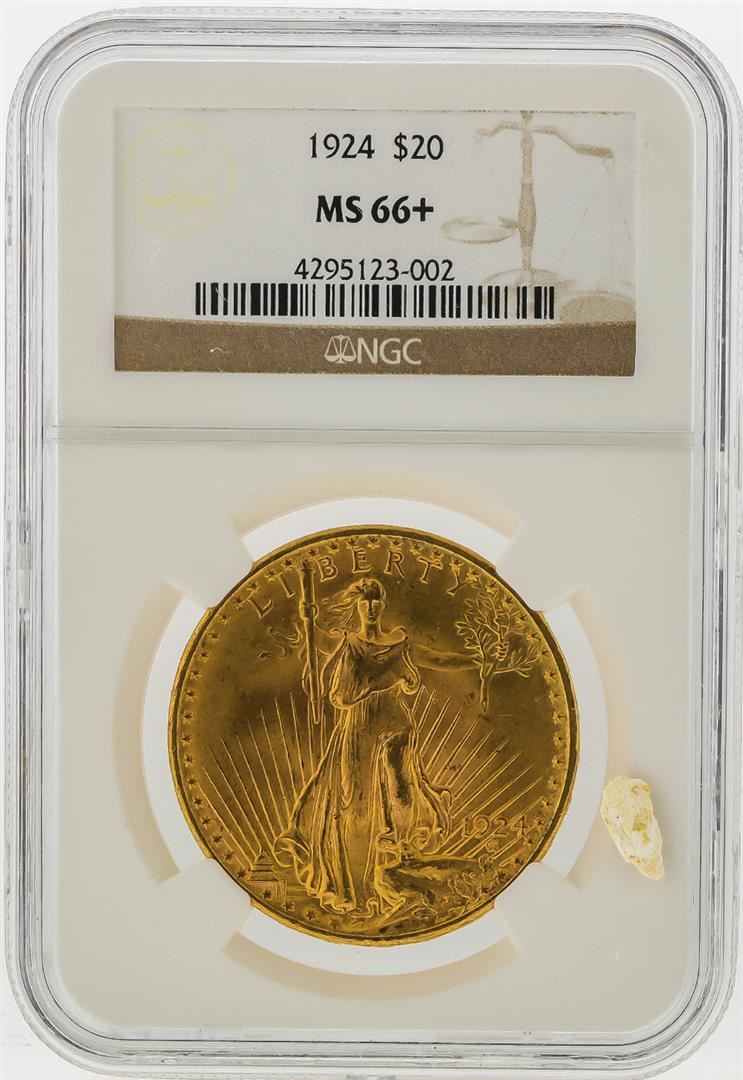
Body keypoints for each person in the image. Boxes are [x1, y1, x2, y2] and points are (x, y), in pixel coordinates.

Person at [274, 576, 474, 919]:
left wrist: (479, 660)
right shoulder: (350, 645)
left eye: (376, 600)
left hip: (397, 730)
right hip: (359, 734)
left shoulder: (400, 643)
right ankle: (361, 885)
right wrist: (390, 679)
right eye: (365, 600)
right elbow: (341, 697)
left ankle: (393, 866)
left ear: (383, 604)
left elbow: (439, 660)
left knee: (400, 796)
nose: (370, 606)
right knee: (357, 806)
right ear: (358, 605)